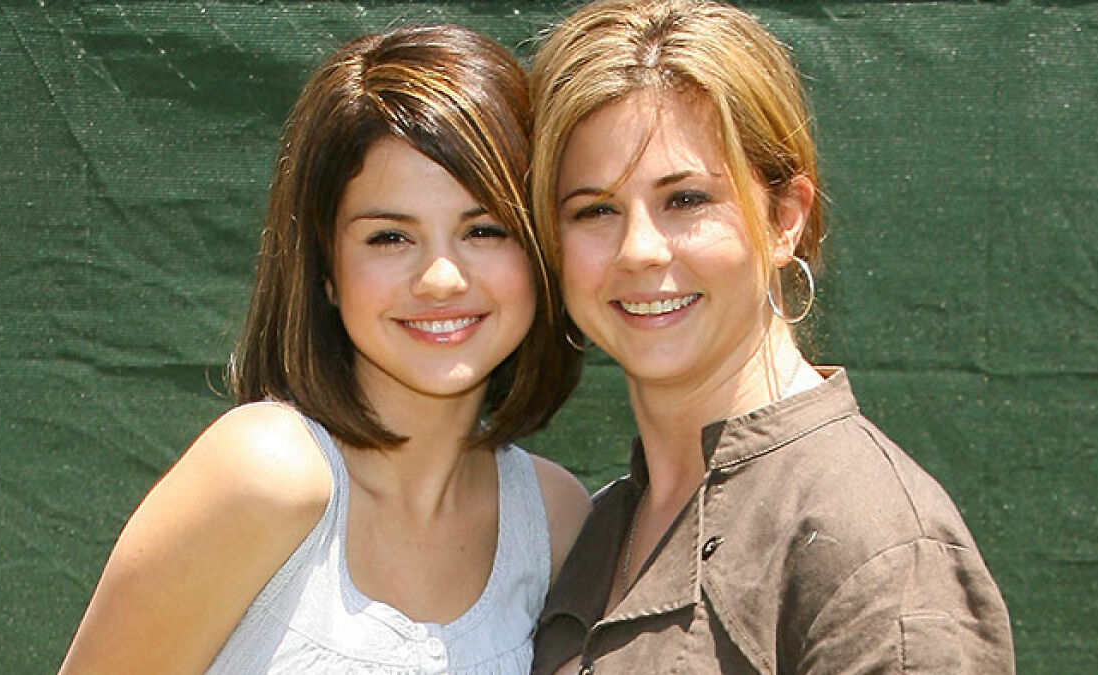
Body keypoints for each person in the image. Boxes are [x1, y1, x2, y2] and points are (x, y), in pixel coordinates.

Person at [59, 24, 591, 674]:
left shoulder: (554, 520)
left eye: (484, 229)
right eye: (390, 238)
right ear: (326, 269)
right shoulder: (264, 473)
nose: (442, 277)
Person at [526, 1, 1015, 672]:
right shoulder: (602, 524)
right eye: (595, 209)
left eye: (686, 199)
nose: (638, 248)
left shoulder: (874, 538)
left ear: (786, 217)